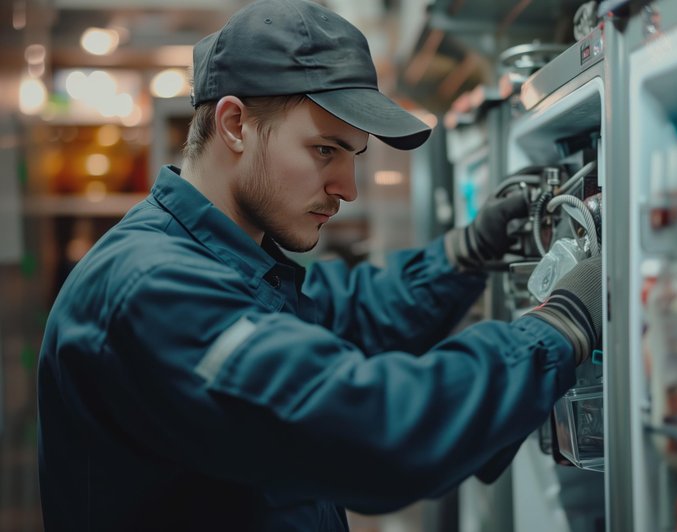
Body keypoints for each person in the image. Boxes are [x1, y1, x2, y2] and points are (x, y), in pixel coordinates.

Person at [36, 0, 603, 530]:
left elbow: (352, 311)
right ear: (235, 124)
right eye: (324, 150)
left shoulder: (229, 262)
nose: (348, 188)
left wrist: (466, 252)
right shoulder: (153, 289)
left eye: (353, 156)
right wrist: (559, 327)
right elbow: (372, 431)